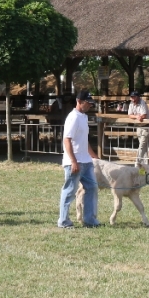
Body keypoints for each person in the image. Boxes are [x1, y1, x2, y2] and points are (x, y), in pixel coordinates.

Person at [58, 91, 100, 229]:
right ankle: (63, 221)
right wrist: (73, 161)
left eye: (90, 103)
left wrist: (93, 155)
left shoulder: (84, 117)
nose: (89, 105)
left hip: (86, 161)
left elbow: (84, 140)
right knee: (70, 191)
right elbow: (67, 140)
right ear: (79, 101)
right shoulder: (73, 117)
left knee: (92, 187)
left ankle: (90, 220)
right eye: (87, 103)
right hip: (74, 162)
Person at [125, 90, 149, 165]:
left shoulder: (142, 102)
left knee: (142, 145)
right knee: (144, 146)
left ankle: (137, 162)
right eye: (131, 97)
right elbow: (129, 115)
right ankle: (146, 163)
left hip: (147, 126)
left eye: (134, 97)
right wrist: (136, 116)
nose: (132, 99)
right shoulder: (131, 104)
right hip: (139, 126)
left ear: (138, 97)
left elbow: (144, 115)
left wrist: (138, 116)